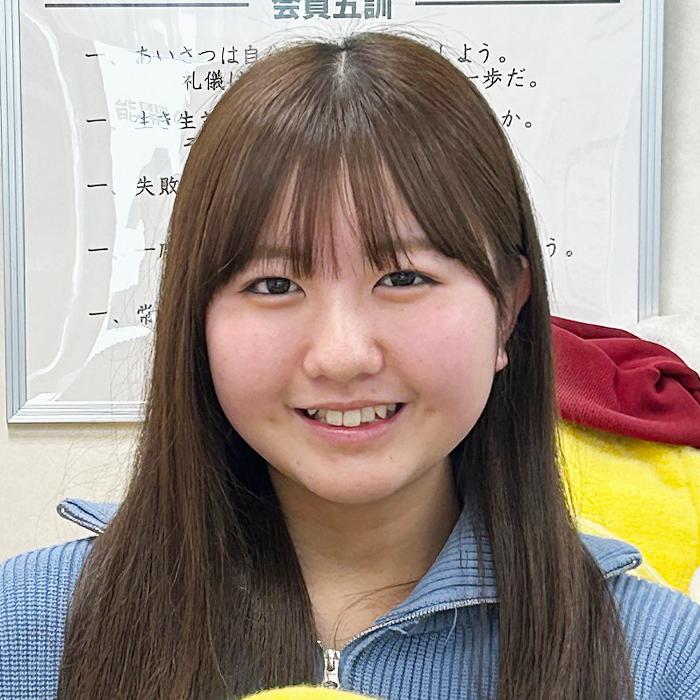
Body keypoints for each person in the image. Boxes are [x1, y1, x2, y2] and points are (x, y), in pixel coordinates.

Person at [1, 29, 699, 700]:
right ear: (197, 317)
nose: (341, 355)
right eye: (274, 284)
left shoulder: (662, 660)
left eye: (404, 278)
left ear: (508, 309)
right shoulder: (28, 629)